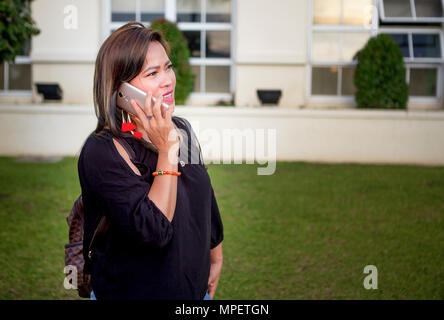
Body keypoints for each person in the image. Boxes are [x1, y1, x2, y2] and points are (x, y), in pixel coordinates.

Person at [77, 22, 223, 300]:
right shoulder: (101, 152)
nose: (168, 80)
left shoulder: (181, 127)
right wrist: (167, 151)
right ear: (120, 90)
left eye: (168, 67)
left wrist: (215, 256)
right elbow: (155, 232)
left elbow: (202, 195)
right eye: (152, 73)